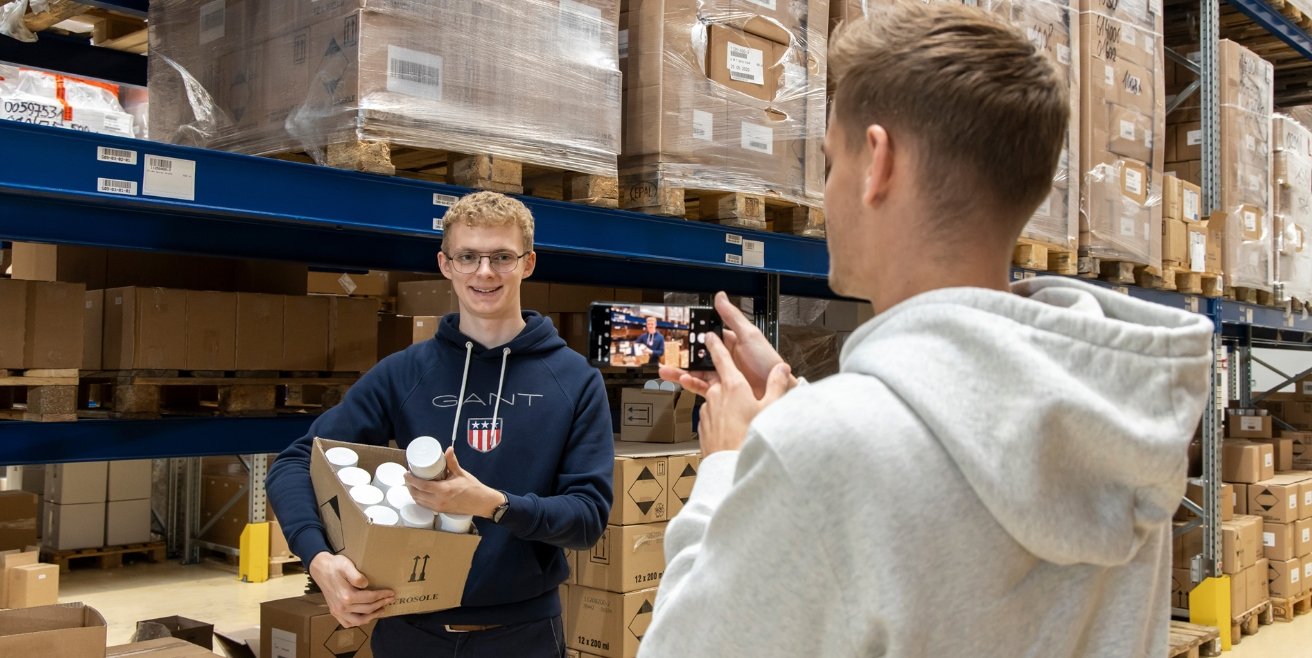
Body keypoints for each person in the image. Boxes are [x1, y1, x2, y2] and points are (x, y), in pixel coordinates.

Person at [641, 3, 1214, 656]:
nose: (825, 193)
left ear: (878, 163)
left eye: (830, 161)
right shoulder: (1113, 423)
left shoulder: (821, 452)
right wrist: (803, 403)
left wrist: (726, 469)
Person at [265, 191, 614, 657]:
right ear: (445, 264)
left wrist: (493, 504)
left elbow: (587, 519)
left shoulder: (574, 380)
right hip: (409, 629)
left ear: (528, 263)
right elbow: (293, 464)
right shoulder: (404, 373)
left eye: (502, 257)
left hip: (522, 634)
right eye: (467, 256)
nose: (484, 272)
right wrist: (319, 560)